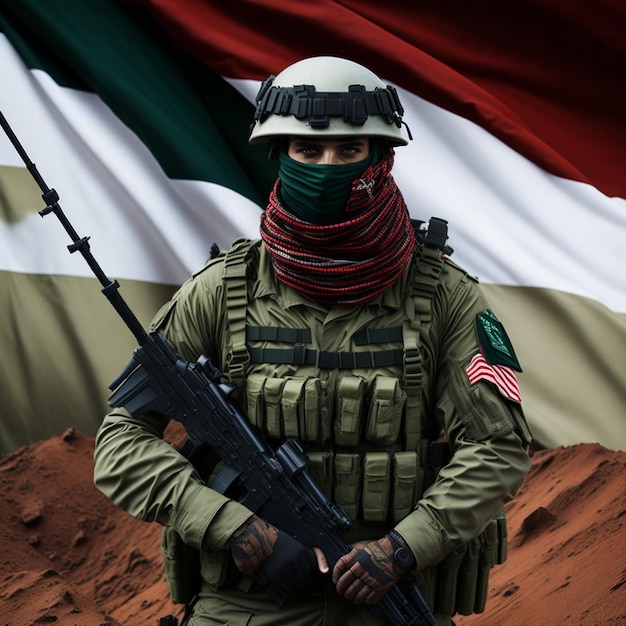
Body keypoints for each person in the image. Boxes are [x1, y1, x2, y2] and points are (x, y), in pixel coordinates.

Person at [94, 56, 532, 626]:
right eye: (307, 150)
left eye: (349, 152)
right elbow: (121, 438)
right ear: (280, 156)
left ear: (381, 158)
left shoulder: (443, 295)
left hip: (389, 598)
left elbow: (497, 447)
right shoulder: (219, 292)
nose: (328, 167)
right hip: (245, 604)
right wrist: (228, 523)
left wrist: (400, 549)